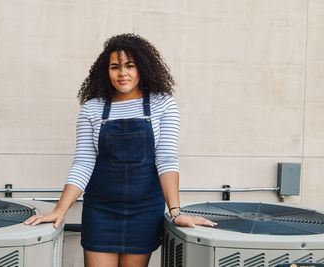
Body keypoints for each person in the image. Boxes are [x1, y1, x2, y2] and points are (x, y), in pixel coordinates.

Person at [25, 33, 216, 267]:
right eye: (115, 67)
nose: (122, 73)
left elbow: (165, 159)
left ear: (142, 68)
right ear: (106, 71)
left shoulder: (162, 103)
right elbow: (84, 162)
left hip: (145, 210)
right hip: (101, 209)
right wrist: (60, 210)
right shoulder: (92, 108)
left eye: (129, 65)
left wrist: (176, 211)